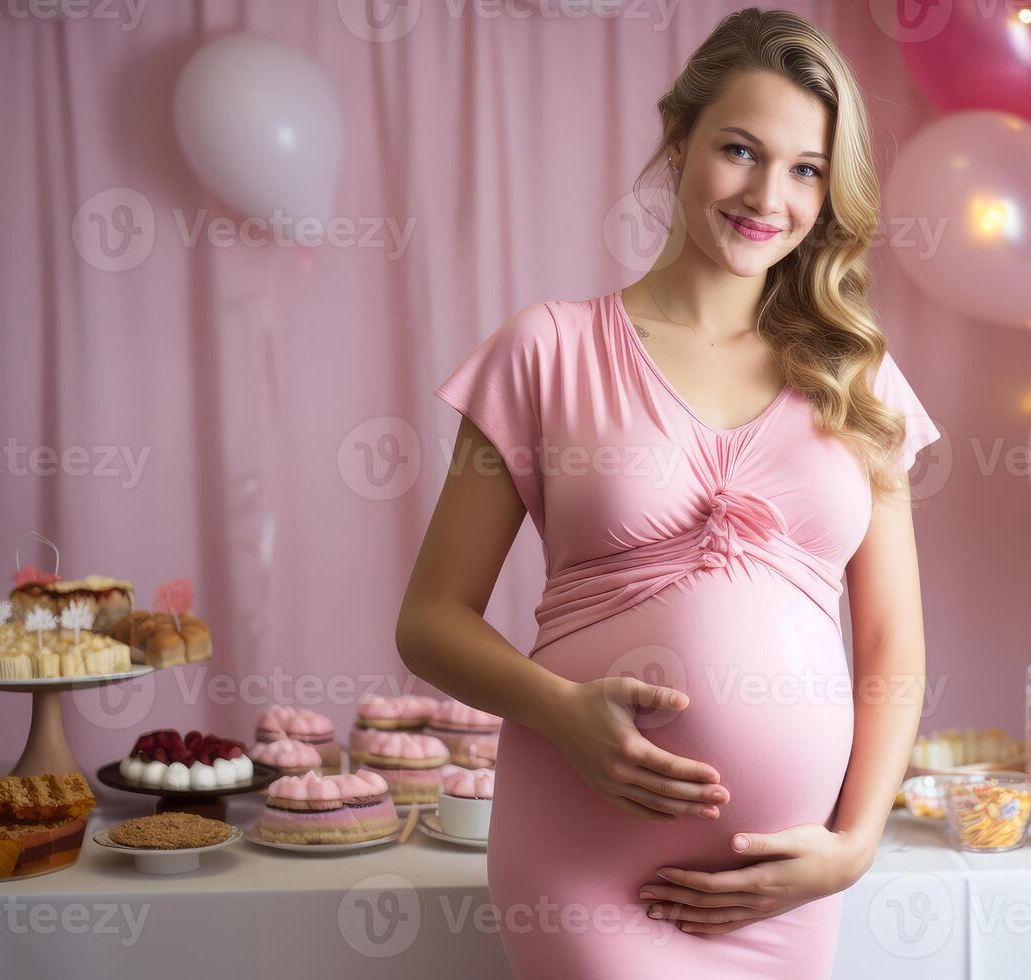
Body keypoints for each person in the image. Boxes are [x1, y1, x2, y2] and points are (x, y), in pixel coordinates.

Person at [396, 8, 941, 977]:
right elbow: (431, 618)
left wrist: (853, 845)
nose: (769, 194)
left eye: (807, 168)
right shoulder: (548, 350)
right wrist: (560, 709)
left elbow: (893, 636)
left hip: (785, 883)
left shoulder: (856, 373)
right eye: (740, 149)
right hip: (586, 860)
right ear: (679, 138)